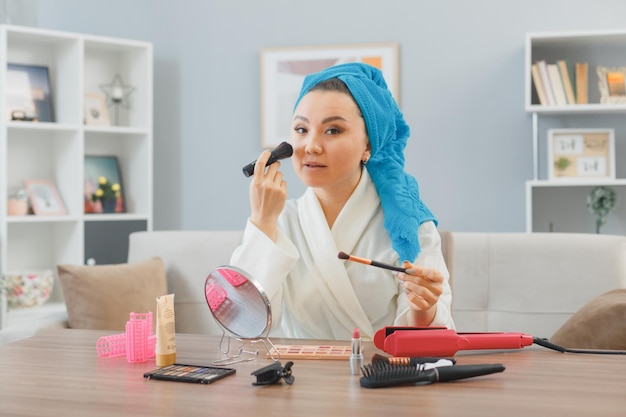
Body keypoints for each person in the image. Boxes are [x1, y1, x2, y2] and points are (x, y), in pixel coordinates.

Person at [231, 62, 454, 340]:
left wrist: (423, 310)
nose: (311, 146)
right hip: (299, 378)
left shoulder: (409, 227)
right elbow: (241, 323)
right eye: (301, 130)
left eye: (333, 130)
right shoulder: (278, 220)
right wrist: (262, 221)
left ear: (368, 145)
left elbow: (431, 341)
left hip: (382, 376)